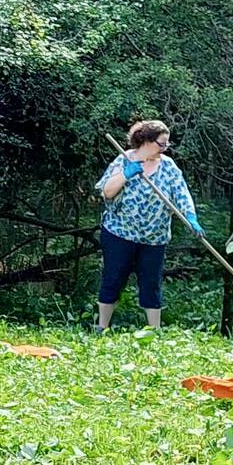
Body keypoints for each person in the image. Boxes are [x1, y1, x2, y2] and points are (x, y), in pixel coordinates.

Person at [95, 120, 203, 331]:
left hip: (154, 238)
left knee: (151, 285)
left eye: (166, 145)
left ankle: (154, 331)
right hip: (119, 234)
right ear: (146, 140)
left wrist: (191, 217)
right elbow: (107, 192)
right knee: (112, 279)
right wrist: (126, 174)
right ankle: (101, 327)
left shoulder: (168, 166)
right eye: (161, 144)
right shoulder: (124, 160)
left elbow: (181, 194)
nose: (164, 148)